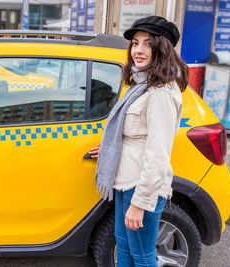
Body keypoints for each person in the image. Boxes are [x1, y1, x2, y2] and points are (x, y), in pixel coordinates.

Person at [89, 16, 188, 267]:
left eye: (147, 43)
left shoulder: (161, 93)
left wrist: (140, 204)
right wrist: (113, 147)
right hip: (126, 181)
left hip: (142, 187)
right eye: (135, 43)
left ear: (162, 47)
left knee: (142, 257)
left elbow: (157, 156)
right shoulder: (141, 85)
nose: (138, 50)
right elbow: (137, 135)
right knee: (124, 248)